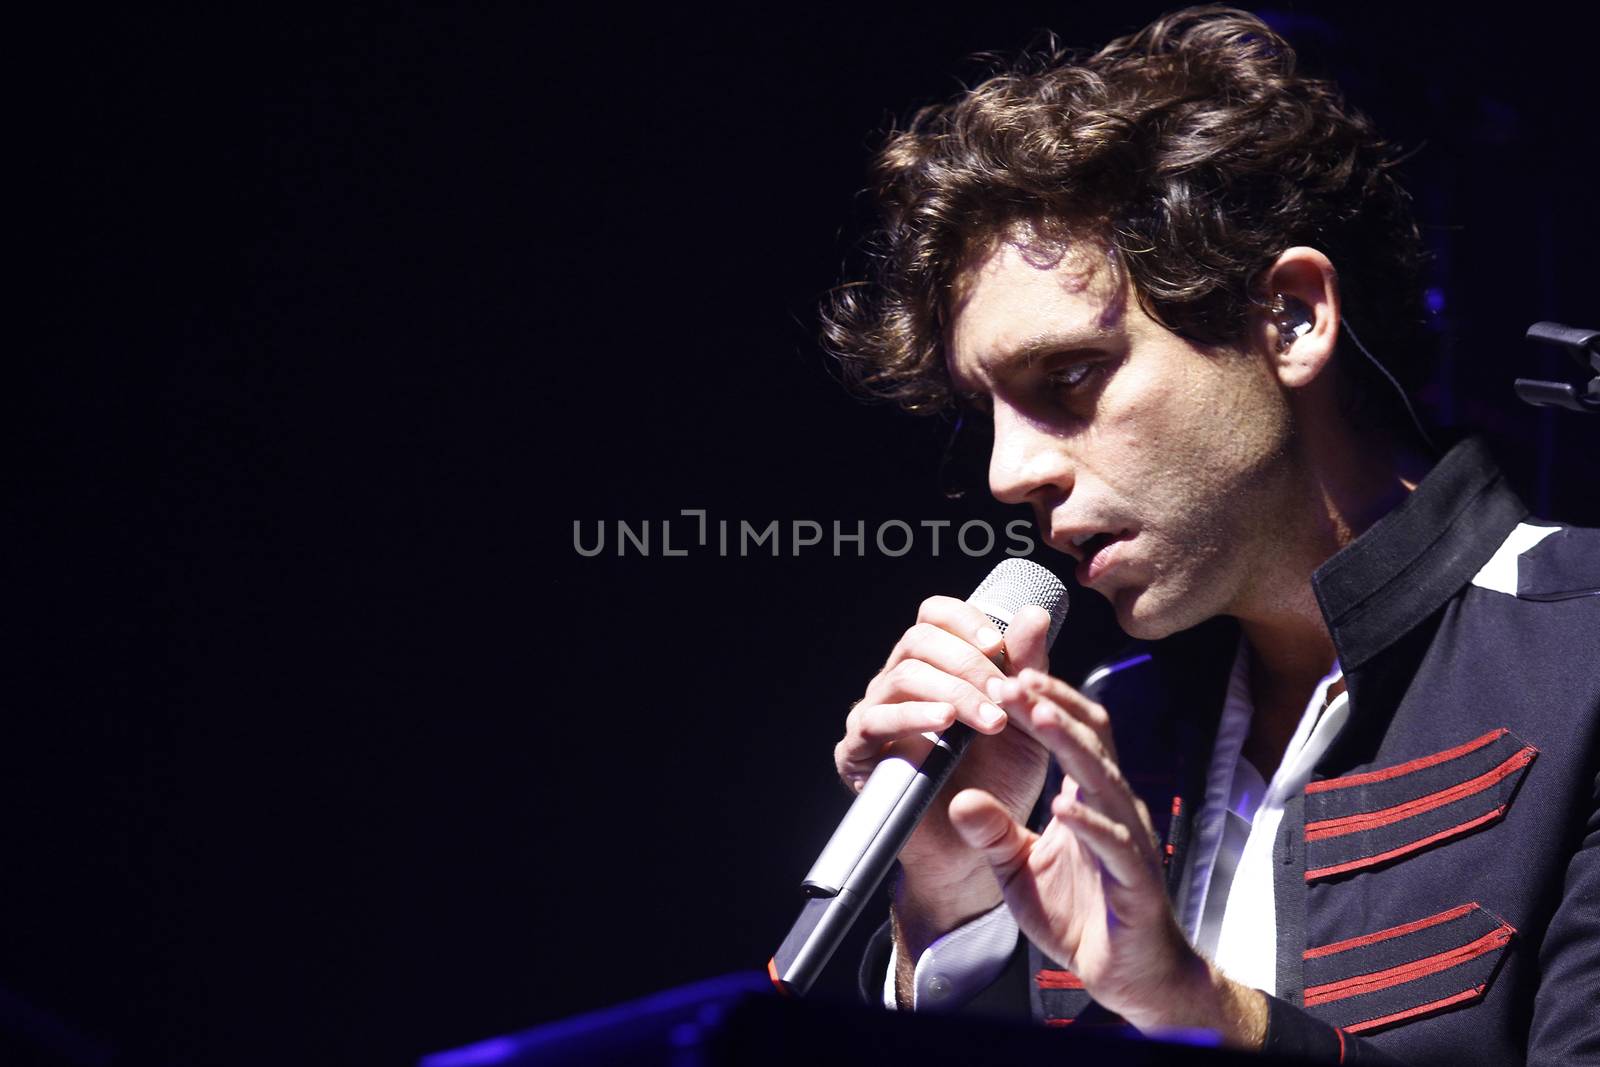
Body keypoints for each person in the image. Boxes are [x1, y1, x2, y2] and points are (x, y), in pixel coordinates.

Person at [822, 7, 1600, 1064]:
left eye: (1070, 376)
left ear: (1289, 318)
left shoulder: (1582, 654)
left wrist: (1198, 1008)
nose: (1011, 474)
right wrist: (948, 903)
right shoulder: (1103, 727)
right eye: (987, 413)